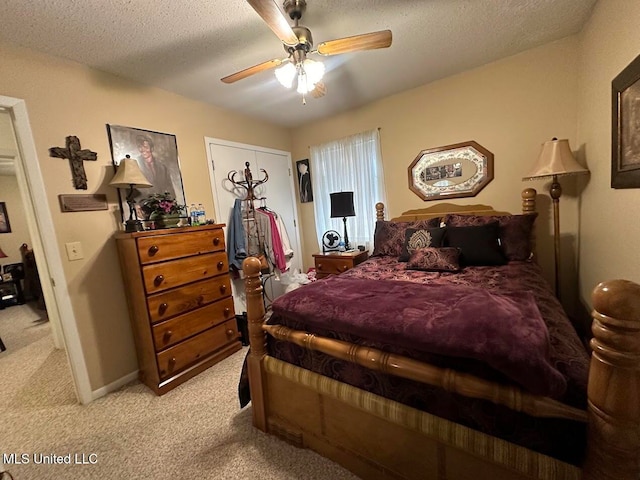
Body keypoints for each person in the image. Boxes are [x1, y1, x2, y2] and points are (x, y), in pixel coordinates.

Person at [134, 135, 175, 200]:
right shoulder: (135, 166)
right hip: (144, 204)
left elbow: (169, 187)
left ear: (151, 148)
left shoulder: (162, 167)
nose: (142, 150)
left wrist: (172, 203)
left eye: (145, 147)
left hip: (162, 206)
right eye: (140, 147)